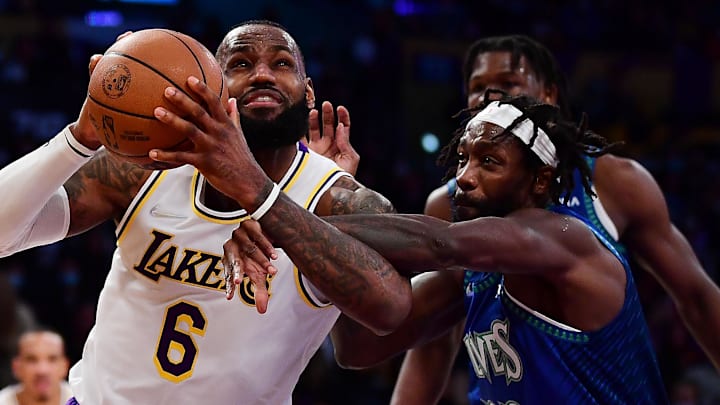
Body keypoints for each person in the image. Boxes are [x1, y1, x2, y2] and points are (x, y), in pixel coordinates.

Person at [0, 20, 411, 404]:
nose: (262, 74)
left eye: (281, 63)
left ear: (308, 93)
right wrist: (79, 138)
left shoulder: (336, 201)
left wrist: (285, 208)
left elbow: (385, 316)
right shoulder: (144, 167)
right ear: (213, 85)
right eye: (241, 63)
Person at [227, 93, 670, 404]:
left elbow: (438, 243)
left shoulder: (563, 238)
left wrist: (287, 214)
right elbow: (359, 348)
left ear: (539, 181)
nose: (465, 178)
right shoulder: (473, 275)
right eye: (462, 159)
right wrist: (329, 211)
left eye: (489, 162)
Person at [389, 34, 720, 404]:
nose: (490, 97)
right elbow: (432, 343)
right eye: (477, 87)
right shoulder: (449, 203)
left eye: (509, 84)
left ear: (548, 95)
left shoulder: (614, 183)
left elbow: (697, 298)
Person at [0, 330, 72, 405]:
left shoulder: (81, 400)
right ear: (16, 367)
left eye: (52, 359)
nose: (42, 370)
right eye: (31, 360)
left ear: (65, 366)